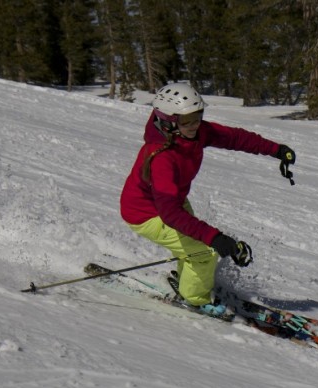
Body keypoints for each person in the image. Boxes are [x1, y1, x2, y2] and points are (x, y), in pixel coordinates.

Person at [120, 83, 296, 316]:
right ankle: (194, 299)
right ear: (168, 121)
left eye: (198, 116)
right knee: (204, 252)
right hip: (147, 213)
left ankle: (187, 279)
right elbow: (170, 215)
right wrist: (215, 238)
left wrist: (275, 150)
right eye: (187, 120)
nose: (195, 124)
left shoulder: (194, 132)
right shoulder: (162, 158)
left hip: (172, 202)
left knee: (194, 247)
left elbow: (235, 138)